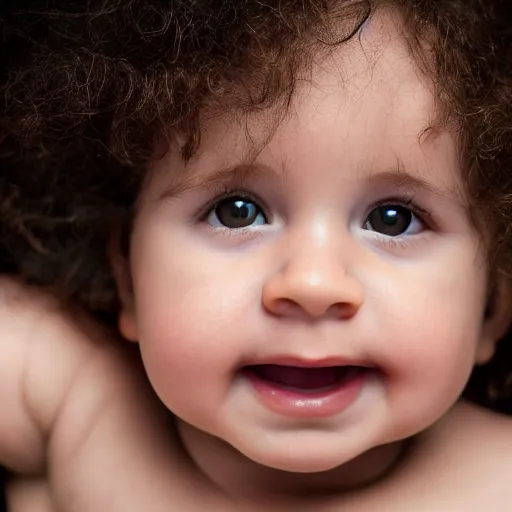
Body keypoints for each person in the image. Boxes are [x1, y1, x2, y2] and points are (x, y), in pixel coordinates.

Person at [1, 0, 512, 510]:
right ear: (127, 276)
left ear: (491, 302)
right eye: (237, 212)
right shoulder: (86, 409)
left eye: (392, 219)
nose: (313, 285)